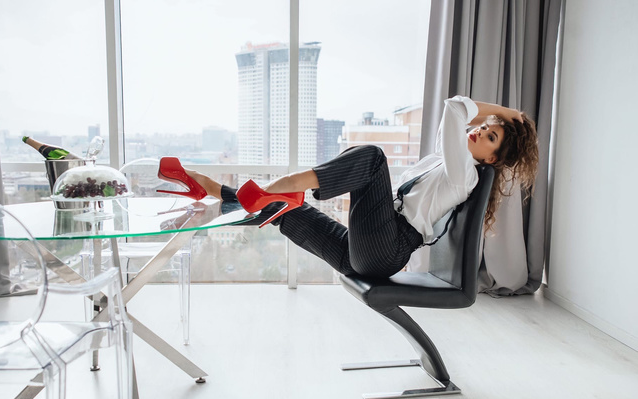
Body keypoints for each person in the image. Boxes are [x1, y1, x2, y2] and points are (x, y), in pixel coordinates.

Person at [157, 96, 539, 279]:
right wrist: (495, 120)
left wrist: (506, 115)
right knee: (282, 211)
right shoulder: (440, 162)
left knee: (372, 158)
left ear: (492, 158)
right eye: (482, 126)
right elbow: (453, 119)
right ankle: (202, 187)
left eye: (489, 136)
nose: (478, 131)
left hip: (387, 249)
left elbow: (455, 108)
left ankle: (282, 185)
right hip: (369, 248)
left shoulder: (465, 175)